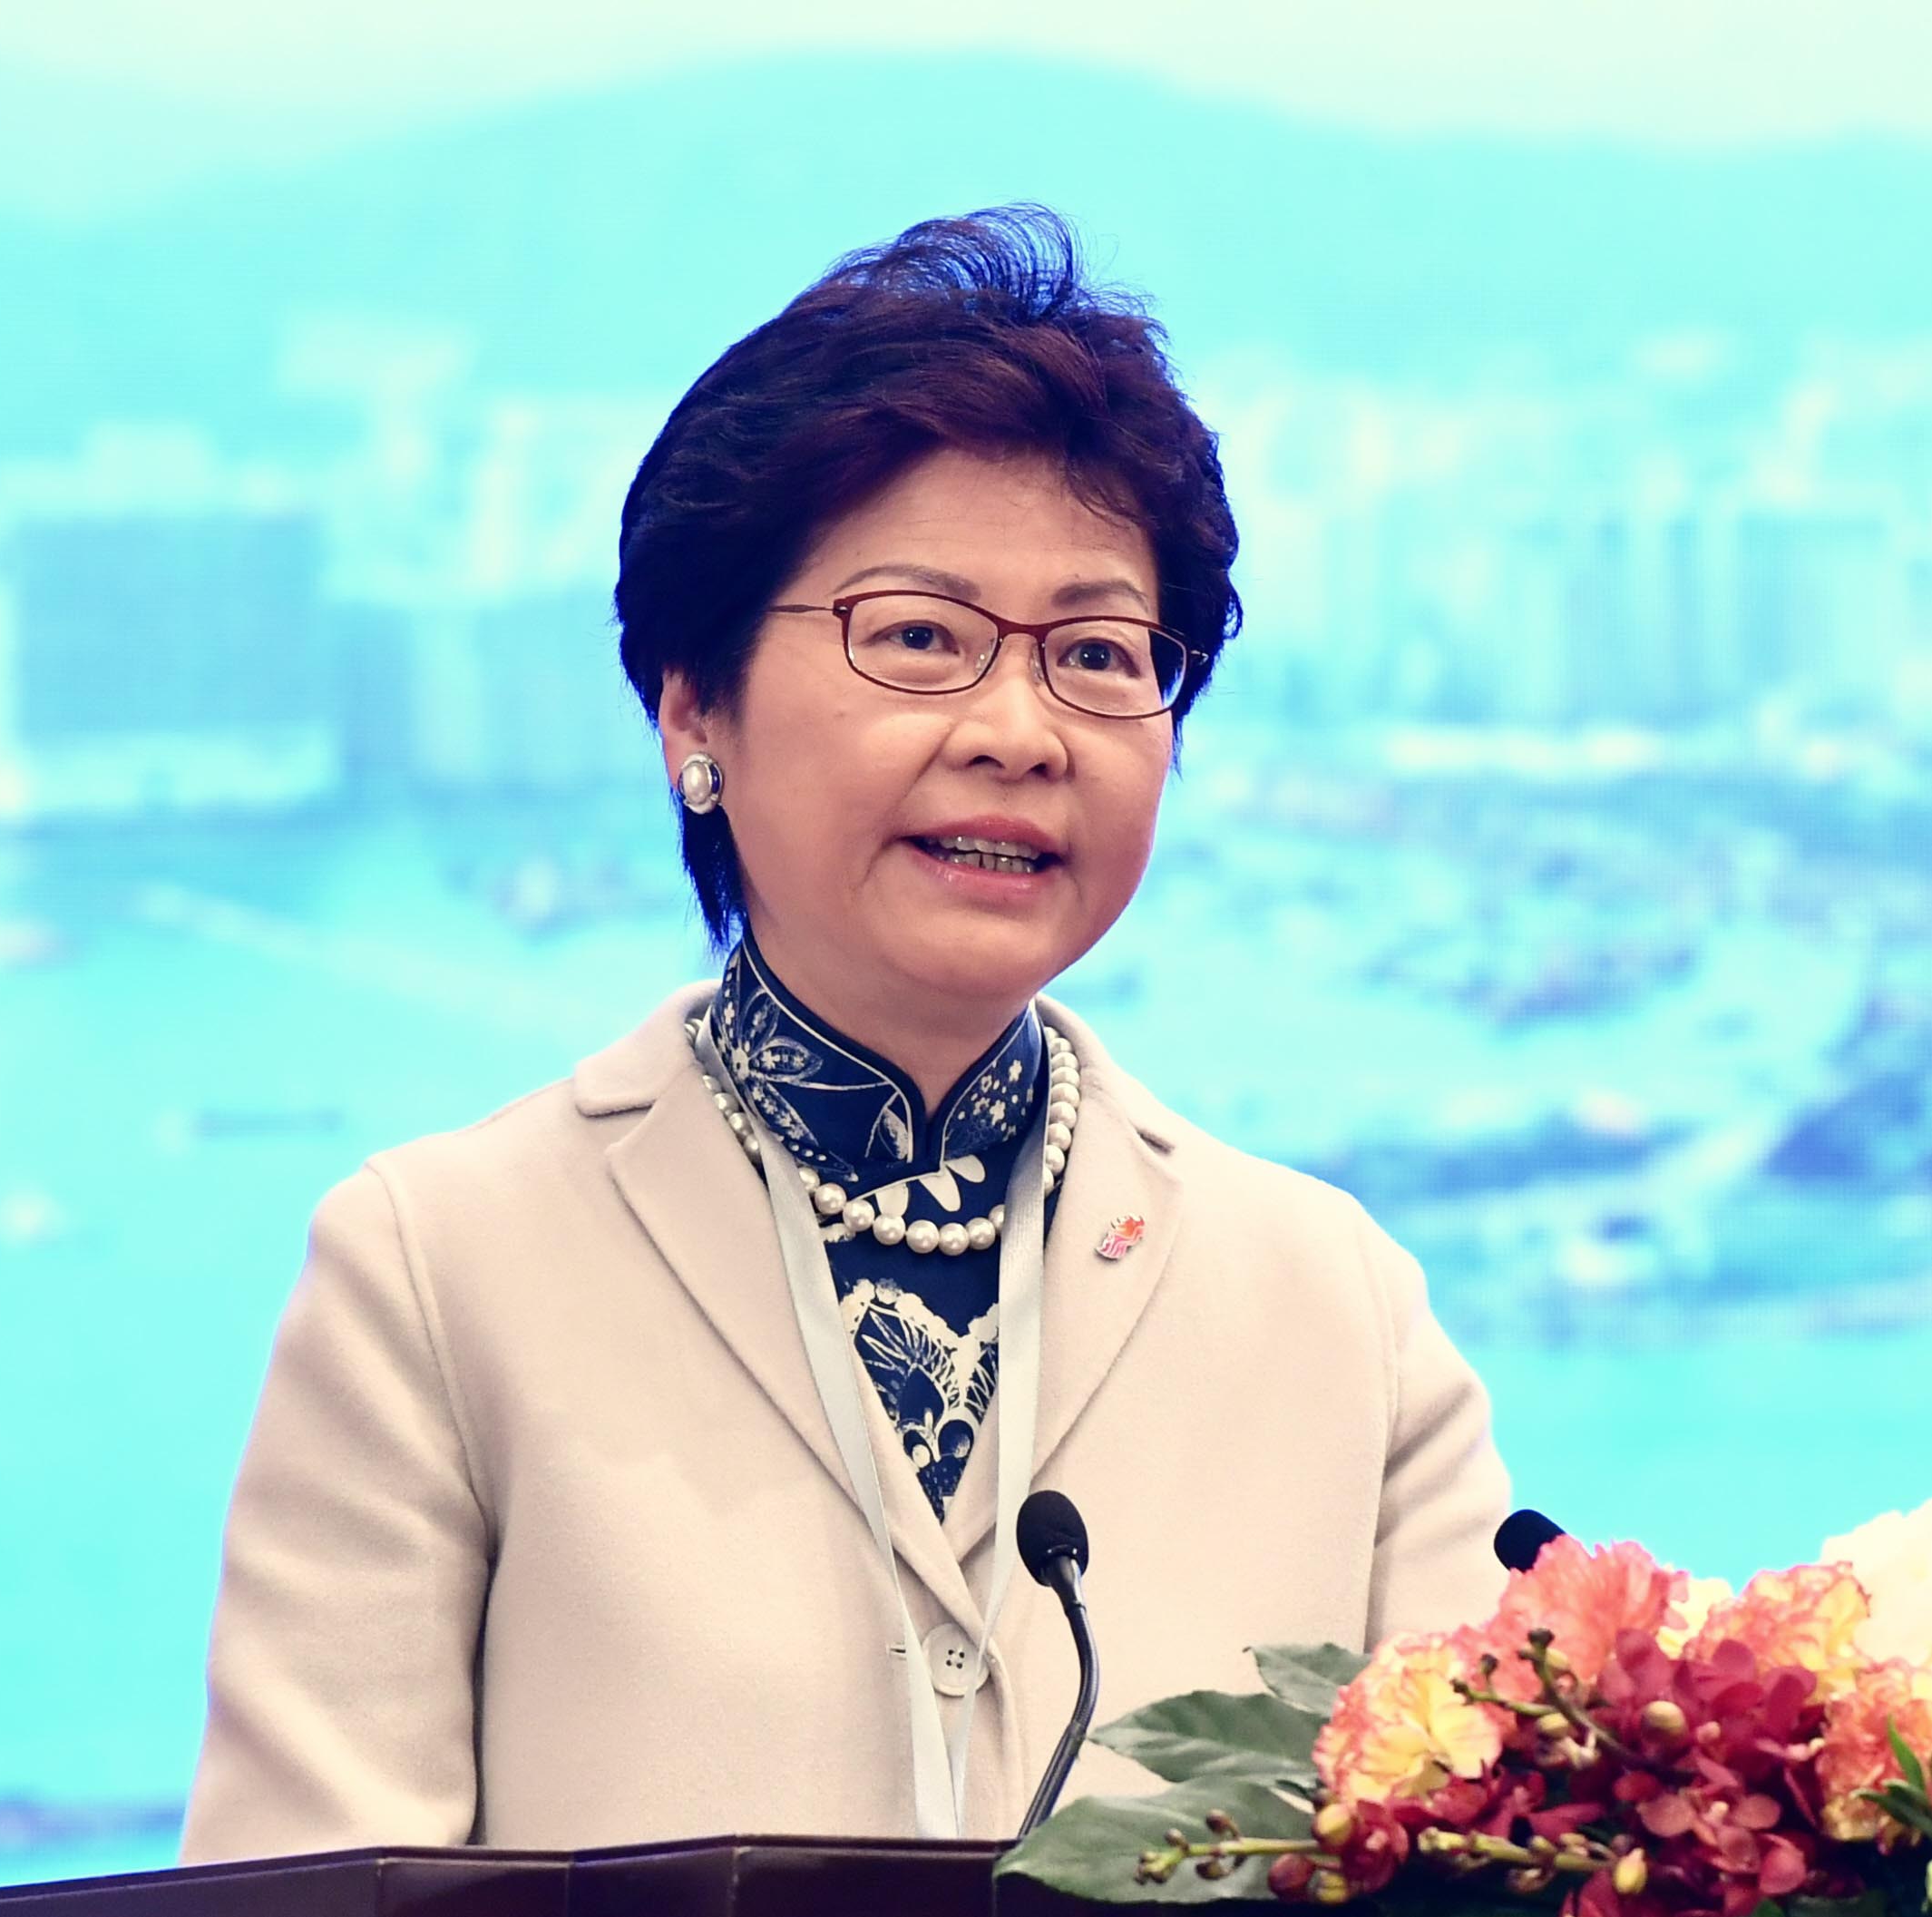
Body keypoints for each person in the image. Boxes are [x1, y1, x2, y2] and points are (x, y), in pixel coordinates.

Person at [180, 206, 1509, 1863]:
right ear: (693, 707)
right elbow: (305, 1885)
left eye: (1098, 655)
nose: (1020, 731)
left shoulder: (1337, 1310)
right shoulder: (438, 1273)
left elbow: (1491, 1863)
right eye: (919, 636)